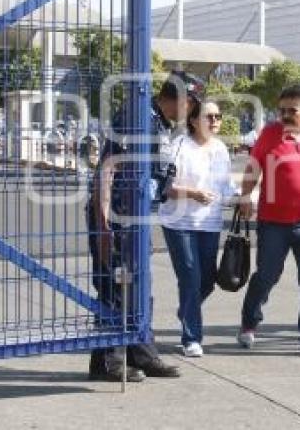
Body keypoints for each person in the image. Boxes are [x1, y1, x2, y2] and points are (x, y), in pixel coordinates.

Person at [86, 74, 201, 382]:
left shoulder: (160, 123)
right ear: (182, 100)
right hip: (117, 215)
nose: (191, 112)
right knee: (114, 287)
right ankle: (109, 362)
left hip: (136, 217)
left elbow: (157, 177)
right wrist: (104, 220)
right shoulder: (137, 116)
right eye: (192, 105)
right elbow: (108, 166)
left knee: (138, 288)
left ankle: (143, 354)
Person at [238, 84, 300, 359]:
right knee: (267, 277)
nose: (284, 114)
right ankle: (249, 322)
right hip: (273, 223)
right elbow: (254, 166)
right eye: (281, 110)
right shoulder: (269, 134)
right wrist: (245, 195)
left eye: (291, 110)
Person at [160, 100, 236, 358]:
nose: (215, 121)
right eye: (209, 116)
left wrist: (242, 198)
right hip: (179, 223)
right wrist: (192, 193)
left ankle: (186, 310)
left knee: (207, 281)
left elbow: (225, 187)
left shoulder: (221, 149)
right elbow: (164, 188)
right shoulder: (179, 146)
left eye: (218, 116)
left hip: (210, 224)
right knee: (190, 278)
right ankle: (191, 338)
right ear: (193, 121)